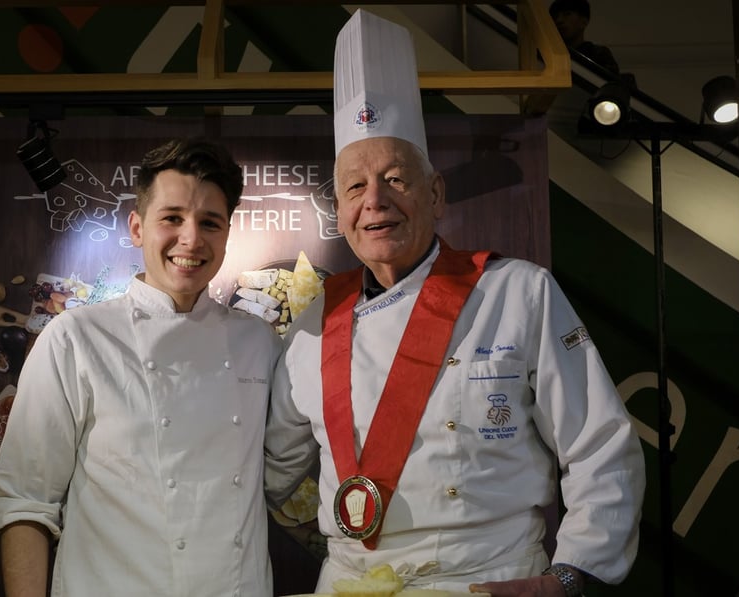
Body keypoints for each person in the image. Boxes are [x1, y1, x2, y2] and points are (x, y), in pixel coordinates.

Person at [264, 10, 645, 597]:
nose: (376, 201)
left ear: (436, 193)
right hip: (348, 583)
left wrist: (571, 576)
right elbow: (266, 468)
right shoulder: (315, 323)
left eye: (397, 178)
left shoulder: (518, 291)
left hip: (485, 579)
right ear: (339, 213)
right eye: (355, 187)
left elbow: (600, 443)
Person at [0, 137, 282, 597]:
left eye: (210, 222)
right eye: (172, 218)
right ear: (137, 227)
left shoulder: (258, 342)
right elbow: (26, 501)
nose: (191, 238)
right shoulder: (76, 339)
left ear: (226, 234)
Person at [549, 0, 619, 75]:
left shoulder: (598, 54)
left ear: (584, 21)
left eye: (567, 14)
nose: (559, 20)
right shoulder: (548, 56)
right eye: (555, 17)